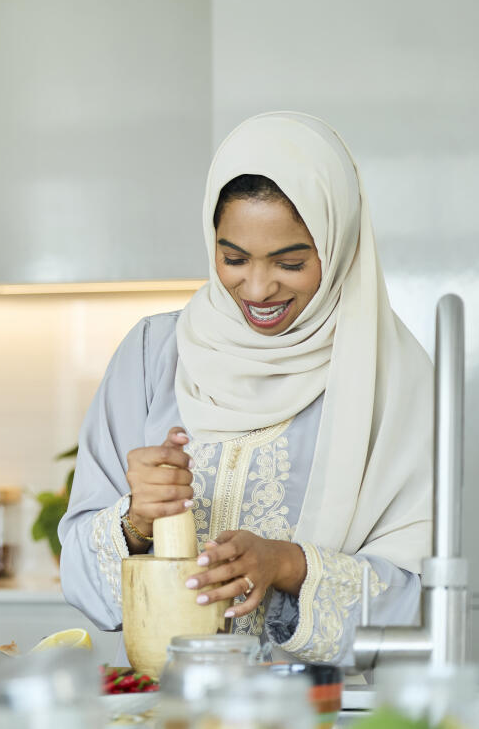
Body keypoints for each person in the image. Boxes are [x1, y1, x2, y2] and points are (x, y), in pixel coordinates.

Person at [58, 112, 433, 664]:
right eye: (233, 258)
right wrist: (136, 520)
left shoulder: (394, 379)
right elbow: (83, 583)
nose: (256, 288)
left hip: (320, 713)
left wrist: (285, 565)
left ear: (340, 244)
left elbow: (416, 604)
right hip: (169, 709)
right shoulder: (152, 355)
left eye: (291, 262)